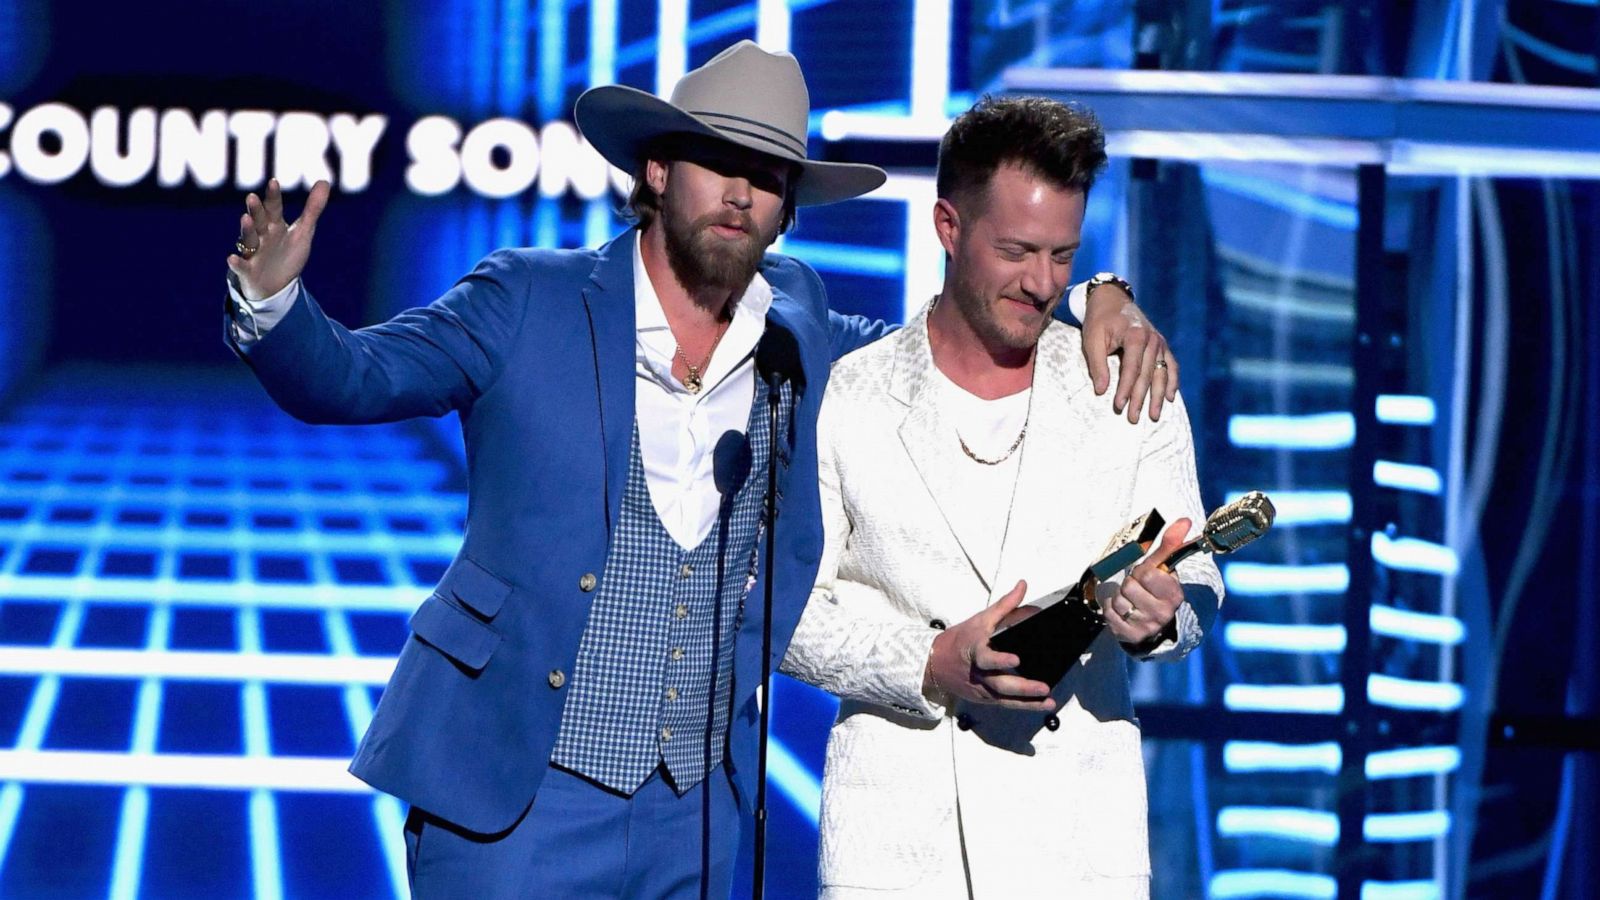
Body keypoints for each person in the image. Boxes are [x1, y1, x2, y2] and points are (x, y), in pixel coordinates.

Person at [223, 43, 1174, 899]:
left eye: (767, 177)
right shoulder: (529, 299)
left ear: (788, 207)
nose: (740, 194)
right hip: (513, 795)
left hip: (699, 813)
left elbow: (936, 344)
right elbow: (352, 377)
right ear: (658, 167)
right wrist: (274, 304)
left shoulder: (797, 321)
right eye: (719, 163)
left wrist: (1095, 293)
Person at [780, 95, 1224, 899]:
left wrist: (1165, 620)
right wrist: (929, 660)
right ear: (948, 227)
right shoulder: (852, 396)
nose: (1042, 283)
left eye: (1063, 255)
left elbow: (1196, 581)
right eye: (1016, 250)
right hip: (896, 850)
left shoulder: (1127, 384)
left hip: (1077, 846)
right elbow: (787, 613)